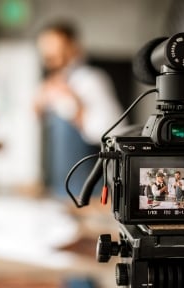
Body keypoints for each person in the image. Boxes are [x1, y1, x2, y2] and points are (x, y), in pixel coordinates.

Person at [34, 21, 123, 196]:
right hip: (59, 187)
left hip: (89, 189)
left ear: (73, 47)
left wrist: (75, 105)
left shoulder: (92, 80)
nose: (49, 54)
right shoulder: (48, 86)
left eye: (55, 47)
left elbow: (112, 133)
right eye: (45, 48)